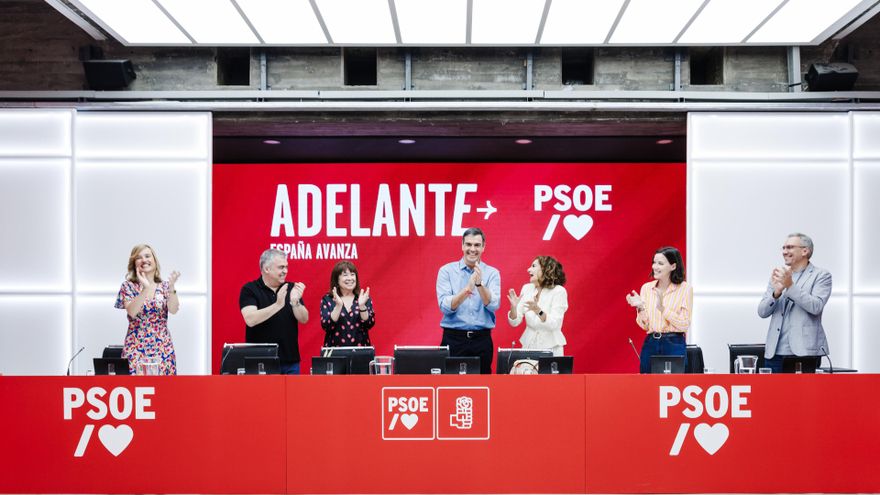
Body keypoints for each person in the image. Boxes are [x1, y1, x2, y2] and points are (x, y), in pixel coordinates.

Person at [757, 233, 831, 373]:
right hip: (774, 353)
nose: (785, 251)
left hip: (804, 353)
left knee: (802, 395)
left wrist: (790, 287)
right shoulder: (779, 275)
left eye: (790, 247)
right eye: (783, 248)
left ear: (805, 251)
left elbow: (816, 306)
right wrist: (776, 294)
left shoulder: (821, 275)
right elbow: (762, 312)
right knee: (772, 394)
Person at [436, 227, 500, 374]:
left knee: (483, 388)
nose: (472, 249)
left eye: (477, 245)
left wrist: (479, 285)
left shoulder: (492, 273)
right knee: (449, 387)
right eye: (469, 244)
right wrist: (468, 289)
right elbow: (445, 307)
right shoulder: (446, 271)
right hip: (453, 339)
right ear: (462, 246)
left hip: (481, 340)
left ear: (483, 247)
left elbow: (494, 305)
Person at [239, 248, 308, 374]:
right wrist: (278, 305)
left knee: (293, 394)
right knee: (262, 394)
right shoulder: (250, 289)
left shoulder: (291, 288)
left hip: (290, 362)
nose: (285, 271)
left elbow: (304, 319)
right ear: (267, 269)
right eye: (281, 267)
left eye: (286, 267)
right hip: (260, 362)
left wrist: (295, 302)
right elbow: (250, 319)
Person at [115, 244, 180, 375]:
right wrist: (145, 288)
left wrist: (172, 287)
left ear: (155, 260)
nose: (144, 260)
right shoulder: (128, 286)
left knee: (165, 392)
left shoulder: (165, 286)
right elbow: (132, 312)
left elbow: (173, 309)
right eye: (139, 257)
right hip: (135, 347)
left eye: (147, 256)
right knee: (136, 391)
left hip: (163, 348)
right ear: (134, 263)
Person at [625, 246, 692, 374]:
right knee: (647, 386)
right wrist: (640, 308)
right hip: (651, 342)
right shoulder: (646, 288)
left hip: (674, 343)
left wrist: (662, 308)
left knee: (673, 386)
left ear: (673, 266)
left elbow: (684, 325)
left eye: (660, 263)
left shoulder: (685, 289)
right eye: (654, 262)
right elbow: (645, 326)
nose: (655, 267)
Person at [507, 256, 569, 356]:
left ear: (546, 269)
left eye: (533, 266)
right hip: (528, 346)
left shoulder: (559, 291)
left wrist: (538, 310)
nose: (528, 270)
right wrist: (513, 307)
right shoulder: (527, 288)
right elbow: (515, 322)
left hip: (552, 348)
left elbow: (554, 323)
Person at [319, 261, 375, 347]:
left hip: (360, 352)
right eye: (345, 275)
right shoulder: (328, 299)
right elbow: (326, 326)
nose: (350, 278)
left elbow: (369, 324)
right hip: (335, 353)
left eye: (352, 274)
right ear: (337, 280)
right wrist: (338, 306)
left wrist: (362, 306)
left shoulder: (363, 298)